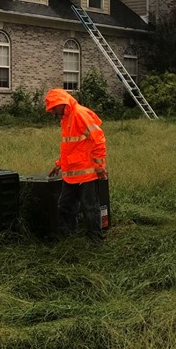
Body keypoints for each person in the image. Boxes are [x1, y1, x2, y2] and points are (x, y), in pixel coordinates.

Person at [45, 88, 108, 241]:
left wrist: (100, 167)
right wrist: (59, 164)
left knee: (90, 208)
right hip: (71, 174)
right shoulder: (66, 118)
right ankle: (69, 238)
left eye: (53, 107)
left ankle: (96, 241)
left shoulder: (80, 114)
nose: (52, 111)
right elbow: (70, 146)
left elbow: (98, 140)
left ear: (62, 103)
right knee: (65, 206)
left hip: (87, 173)